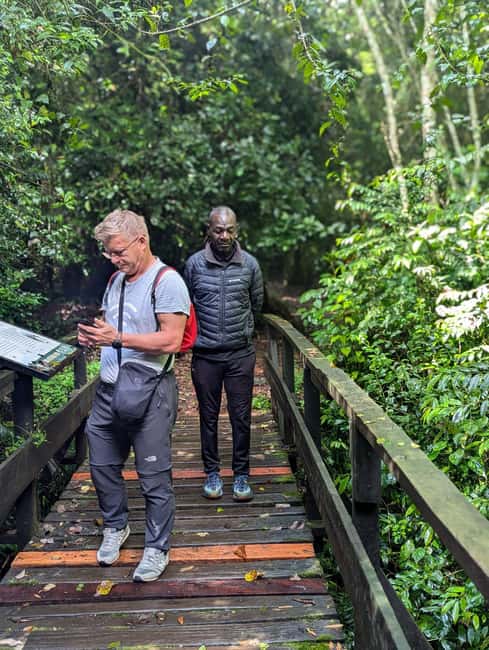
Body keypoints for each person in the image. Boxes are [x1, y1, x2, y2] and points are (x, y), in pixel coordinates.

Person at [78, 209, 190, 582]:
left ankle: (157, 548)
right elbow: (112, 325)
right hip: (109, 389)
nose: (113, 259)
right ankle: (116, 526)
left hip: (151, 390)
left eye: (119, 251)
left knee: (153, 475)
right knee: (101, 464)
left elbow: (171, 340)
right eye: (109, 252)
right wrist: (94, 336)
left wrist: (117, 339)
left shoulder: (167, 282)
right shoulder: (117, 280)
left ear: (141, 241)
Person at [184, 206, 263, 502]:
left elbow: (257, 304)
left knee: (241, 417)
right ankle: (212, 472)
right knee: (208, 416)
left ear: (237, 231)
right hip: (205, 356)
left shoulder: (250, 265)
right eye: (218, 230)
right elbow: (186, 305)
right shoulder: (194, 264)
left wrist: (243, 332)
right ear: (209, 230)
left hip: (239, 354)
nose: (224, 236)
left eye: (229, 230)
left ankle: (241, 474)